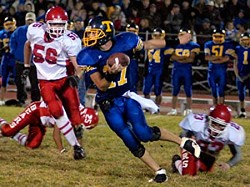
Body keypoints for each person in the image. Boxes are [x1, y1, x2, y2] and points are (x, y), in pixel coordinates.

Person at [77, 16, 201, 183]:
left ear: (105, 34)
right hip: (108, 103)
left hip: (127, 96)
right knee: (129, 140)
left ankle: (184, 142)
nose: (89, 37)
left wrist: (175, 41)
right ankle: (158, 170)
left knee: (144, 133)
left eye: (94, 33)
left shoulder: (127, 41)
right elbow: (101, 85)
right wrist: (110, 74)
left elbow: (150, 44)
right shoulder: (89, 54)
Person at [23, 6, 85, 159]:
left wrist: (76, 77)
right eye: (54, 24)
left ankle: (78, 135)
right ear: (45, 23)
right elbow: (27, 45)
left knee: (75, 114)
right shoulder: (35, 30)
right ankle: (76, 147)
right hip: (45, 81)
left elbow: (79, 66)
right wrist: (26, 65)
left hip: (63, 79)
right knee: (57, 112)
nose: (57, 28)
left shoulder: (70, 40)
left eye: (61, 24)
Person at [171, 104, 245, 176]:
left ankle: (183, 162)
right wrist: (189, 141)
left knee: (204, 172)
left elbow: (238, 154)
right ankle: (177, 162)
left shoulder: (232, 133)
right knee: (189, 173)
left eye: (221, 126)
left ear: (227, 125)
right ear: (209, 119)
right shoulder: (198, 123)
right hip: (192, 149)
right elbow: (182, 136)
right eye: (214, 123)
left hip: (209, 155)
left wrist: (229, 164)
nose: (216, 128)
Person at [0, 101, 98, 154]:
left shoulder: (77, 112)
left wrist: (79, 150)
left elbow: (78, 137)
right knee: (6, 130)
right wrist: (61, 151)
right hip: (34, 111)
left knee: (31, 145)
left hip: (41, 121)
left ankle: (15, 134)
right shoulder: (67, 112)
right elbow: (56, 135)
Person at [10, 12, 41, 107]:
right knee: (19, 82)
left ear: (35, 20)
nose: (30, 21)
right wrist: (15, 54)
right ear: (25, 19)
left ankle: (35, 101)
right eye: (28, 19)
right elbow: (12, 43)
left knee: (35, 83)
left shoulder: (40, 31)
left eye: (31, 19)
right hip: (20, 61)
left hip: (34, 62)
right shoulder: (18, 31)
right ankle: (21, 100)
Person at [167, 29, 200, 116]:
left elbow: (191, 59)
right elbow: (172, 57)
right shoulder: (174, 44)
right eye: (181, 35)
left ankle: (189, 109)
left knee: (188, 90)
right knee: (175, 90)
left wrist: (179, 58)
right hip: (177, 70)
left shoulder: (193, 45)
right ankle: (173, 109)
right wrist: (184, 59)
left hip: (186, 70)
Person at [143, 28, 174, 106]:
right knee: (146, 90)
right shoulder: (150, 45)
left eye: (158, 35)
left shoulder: (166, 46)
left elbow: (170, 58)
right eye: (155, 35)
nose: (156, 37)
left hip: (159, 70)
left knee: (158, 90)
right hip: (150, 70)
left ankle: (157, 107)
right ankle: (148, 106)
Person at [204, 29, 235, 105]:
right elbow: (207, 58)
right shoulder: (208, 44)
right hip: (212, 70)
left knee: (221, 90)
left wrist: (214, 58)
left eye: (219, 36)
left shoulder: (228, 44)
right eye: (216, 36)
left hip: (222, 70)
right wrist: (220, 58)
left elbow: (226, 58)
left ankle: (221, 106)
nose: (217, 38)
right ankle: (214, 106)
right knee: (213, 89)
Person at [0, 16, 17, 106]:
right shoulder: (1, 33)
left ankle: (20, 99)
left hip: (15, 59)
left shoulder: (17, 33)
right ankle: (1, 100)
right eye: (7, 24)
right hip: (5, 59)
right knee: (3, 80)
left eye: (11, 24)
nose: (9, 26)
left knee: (18, 80)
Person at [234, 33, 250, 118]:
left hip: (249, 75)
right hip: (240, 75)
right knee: (241, 94)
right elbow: (235, 63)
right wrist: (237, 75)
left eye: (247, 40)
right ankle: (243, 111)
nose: (245, 42)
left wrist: (247, 76)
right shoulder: (238, 48)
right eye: (243, 40)